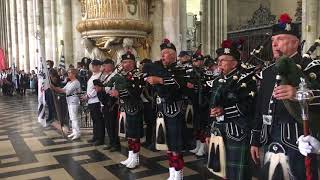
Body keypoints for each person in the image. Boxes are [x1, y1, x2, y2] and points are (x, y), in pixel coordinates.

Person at [250, 13, 320, 179]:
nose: (274, 44)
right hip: (269, 139)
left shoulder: (310, 67)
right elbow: (260, 108)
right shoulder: (267, 72)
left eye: (280, 39)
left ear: (295, 42)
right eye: (273, 40)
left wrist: (299, 94)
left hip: (299, 142)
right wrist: (255, 140)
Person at [207, 39, 257, 180]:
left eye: (223, 60)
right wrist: (208, 129)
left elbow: (249, 105)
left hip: (237, 130)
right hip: (218, 130)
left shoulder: (247, 79)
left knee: (238, 173)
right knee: (222, 169)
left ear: (234, 62)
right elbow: (212, 105)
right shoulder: (217, 80)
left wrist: (224, 112)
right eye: (219, 60)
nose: (219, 63)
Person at [145, 39, 187, 180]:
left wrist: (160, 80)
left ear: (174, 55)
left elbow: (179, 83)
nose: (163, 56)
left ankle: (179, 174)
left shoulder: (181, 68)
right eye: (162, 53)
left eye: (166, 53)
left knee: (176, 144)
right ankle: (172, 173)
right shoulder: (161, 69)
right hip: (163, 109)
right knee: (167, 143)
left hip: (175, 110)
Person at [94, 59, 121, 152]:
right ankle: (111, 142)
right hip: (105, 102)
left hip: (112, 102)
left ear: (110, 66)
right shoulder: (104, 75)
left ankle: (116, 144)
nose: (104, 68)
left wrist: (102, 88)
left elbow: (112, 89)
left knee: (112, 125)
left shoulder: (115, 76)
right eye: (103, 66)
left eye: (105, 66)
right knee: (108, 125)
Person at [51, 68, 81, 140]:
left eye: (70, 73)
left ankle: (77, 133)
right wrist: (55, 88)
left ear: (74, 74)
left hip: (74, 101)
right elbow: (63, 89)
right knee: (71, 117)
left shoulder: (76, 82)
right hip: (69, 101)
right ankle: (74, 131)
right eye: (68, 73)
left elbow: (66, 91)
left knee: (74, 117)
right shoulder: (69, 82)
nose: (68, 74)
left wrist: (54, 88)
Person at [81, 60, 104, 146]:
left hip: (96, 101)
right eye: (92, 66)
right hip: (91, 101)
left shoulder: (99, 75)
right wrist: (87, 95)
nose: (92, 67)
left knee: (98, 121)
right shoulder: (93, 75)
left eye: (93, 66)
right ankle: (95, 137)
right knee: (94, 120)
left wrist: (87, 96)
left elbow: (96, 89)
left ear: (98, 66)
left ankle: (100, 139)